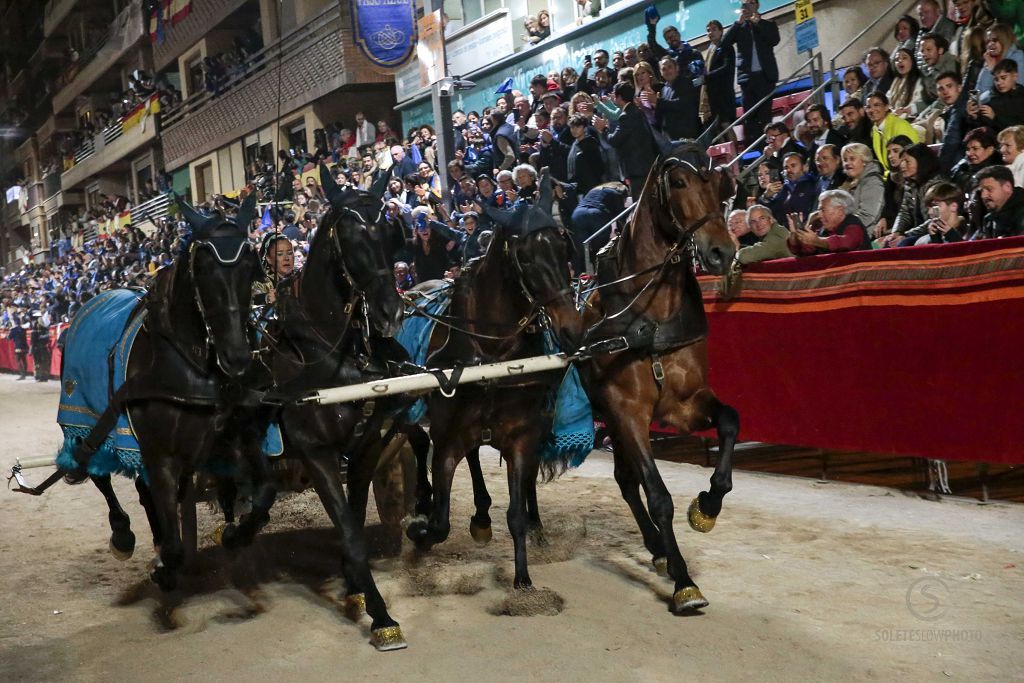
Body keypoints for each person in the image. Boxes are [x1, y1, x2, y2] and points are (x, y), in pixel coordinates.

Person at [719, 0, 780, 145]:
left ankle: (769, 149)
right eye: (745, 4)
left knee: (765, 117)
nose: (747, 6)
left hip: (765, 77)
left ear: (757, 5)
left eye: (751, 2)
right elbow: (724, 44)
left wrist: (757, 24)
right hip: (747, 79)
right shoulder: (739, 27)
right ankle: (757, 151)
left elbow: (774, 40)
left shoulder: (767, 24)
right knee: (750, 117)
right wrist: (738, 23)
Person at [593, 82, 658, 199]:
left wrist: (603, 129)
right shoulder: (637, 111)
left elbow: (614, 140)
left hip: (637, 169)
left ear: (619, 98)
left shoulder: (626, 116)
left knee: (642, 203)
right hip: (647, 164)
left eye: (615, 96)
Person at [882, 142, 947, 245]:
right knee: (887, 242)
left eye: (907, 161)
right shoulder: (910, 184)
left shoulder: (936, 185)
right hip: (916, 232)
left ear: (921, 162)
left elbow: (934, 220)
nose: (902, 165)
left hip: (935, 232)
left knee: (903, 243)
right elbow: (904, 212)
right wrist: (896, 232)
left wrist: (906, 235)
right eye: (902, 161)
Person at [787, 190, 871, 255]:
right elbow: (804, 252)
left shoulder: (853, 224)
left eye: (823, 210)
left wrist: (818, 241)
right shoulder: (822, 228)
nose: (819, 215)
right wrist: (794, 235)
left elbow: (845, 243)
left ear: (840, 210)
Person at [569, 181, 629, 274]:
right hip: (597, 215)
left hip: (577, 214)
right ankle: (602, 276)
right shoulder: (617, 194)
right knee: (601, 250)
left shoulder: (594, 190)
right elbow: (621, 218)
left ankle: (581, 278)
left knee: (581, 252)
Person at [867, 91, 920, 175]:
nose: (872, 110)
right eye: (868, 107)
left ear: (886, 107)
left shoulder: (900, 125)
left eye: (876, 105)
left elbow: (913, 157)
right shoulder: (874, 130)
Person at [840, 142, 887, 236]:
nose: (847, 163)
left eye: (852, 159)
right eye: (845, 160)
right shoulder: (847, 183)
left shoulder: (872, 181)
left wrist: (841, 228)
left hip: (864, 236)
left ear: (864, 161)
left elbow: (868, 215)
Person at [900, 181, 967, 244]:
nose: (929, 212)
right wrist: (935, 238)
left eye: (935, 206)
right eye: (928, 208)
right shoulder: (924, 241)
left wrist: (951, 235)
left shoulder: (969, 233)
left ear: (953, 206)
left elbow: (968, 252)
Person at [759, 151, 817, 225]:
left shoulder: (812, 185)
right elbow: (769, 213)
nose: (789, 170)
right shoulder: (783, 189)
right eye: (786, 167)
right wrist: (766, 196)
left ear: (804, 167)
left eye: (793, 166)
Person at [701, 20, 737, 137]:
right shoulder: (710, 49)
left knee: (726, 125)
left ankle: (735, 153)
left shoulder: (726, 47)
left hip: (724, 94)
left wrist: (707, 77)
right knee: (717, 129)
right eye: (708, 30)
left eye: (714, 29)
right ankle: (724, 154)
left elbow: (726, 68)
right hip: (713, 95)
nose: (711, 32)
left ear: (721, 31)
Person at [968, 58, 1024, 133]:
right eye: (996, 79)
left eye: (1003, 78)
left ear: (1015, 76)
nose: (999, 83)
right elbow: (980, 129)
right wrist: (973, 117)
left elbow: (1019, 129)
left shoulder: (1021, 97)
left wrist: (995, 118)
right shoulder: (989, 98)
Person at [656, 56, 702, 140]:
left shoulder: (686, 82)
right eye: (664, 69)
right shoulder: (663, 89)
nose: (667, 71)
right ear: (661, 72)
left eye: (670, 67)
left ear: (677, 68)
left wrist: (658, 101)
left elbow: (681, 104)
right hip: (672, 138)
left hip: (688, 135)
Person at [973, 164, 1024, 238]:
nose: (983, 196)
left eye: (989, 189)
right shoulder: (988, 220)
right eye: (981, 191)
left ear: (1007, 187)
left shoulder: (1021, 214)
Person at [950, 126, 1002, 193]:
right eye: (968, 149)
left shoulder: (999, 171)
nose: (969, 153)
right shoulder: (961, 167)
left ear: (990, 149)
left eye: (975, 148)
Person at [566, 113, 606, 195]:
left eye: (578, 127)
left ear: (584, 128)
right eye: (572, 127)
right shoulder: (575, 144)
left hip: (591, 188)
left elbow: (598, 167)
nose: (574, 130)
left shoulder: (591, 144)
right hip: (578, 188)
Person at [253, 233, 295, 305]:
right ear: (268, 259)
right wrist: (267, 298)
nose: (286, 258)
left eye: (290, 253)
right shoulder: (260, 282)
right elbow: (250, 300)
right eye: (280, 254)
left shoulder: (299, 278)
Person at [30, 314, 50, 382]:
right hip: (40, 348)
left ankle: (41, 376)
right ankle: (40, 376)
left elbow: (33, 341)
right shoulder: (43, 330)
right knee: (40, 363)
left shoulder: (36, 331)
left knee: (40, 363)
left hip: (40, 348)